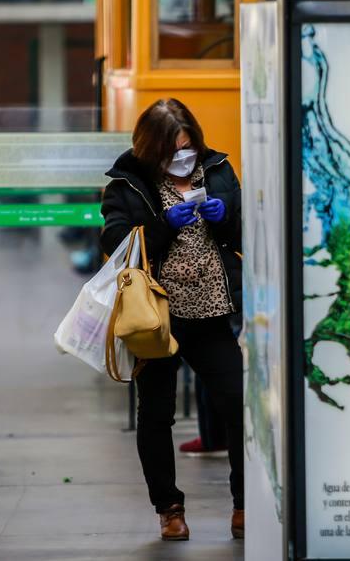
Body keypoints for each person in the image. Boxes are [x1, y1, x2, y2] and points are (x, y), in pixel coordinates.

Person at [101, 98, 244, 542]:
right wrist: (162, 224)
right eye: (172, 150)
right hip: (156, 319)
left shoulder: (218, 169)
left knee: (238, 404)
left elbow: (248, 231)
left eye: (188, 147)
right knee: (157, 414)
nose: (182, 157)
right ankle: (170, 509)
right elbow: (113, 241)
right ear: (151, 149)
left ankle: (245, 504)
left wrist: (227, 218)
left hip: (212, 310)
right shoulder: (126, 183)